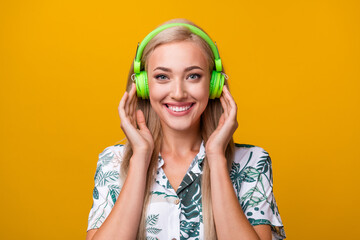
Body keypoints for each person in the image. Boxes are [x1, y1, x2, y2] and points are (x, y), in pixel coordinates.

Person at [86, 18, 286, 240]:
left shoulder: (252, 162)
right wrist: (140, 157)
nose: (178, 93)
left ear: (214, 85)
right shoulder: (112, 161)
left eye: (193, 76)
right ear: (143, 86)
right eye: (162, 77)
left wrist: (216, 157)